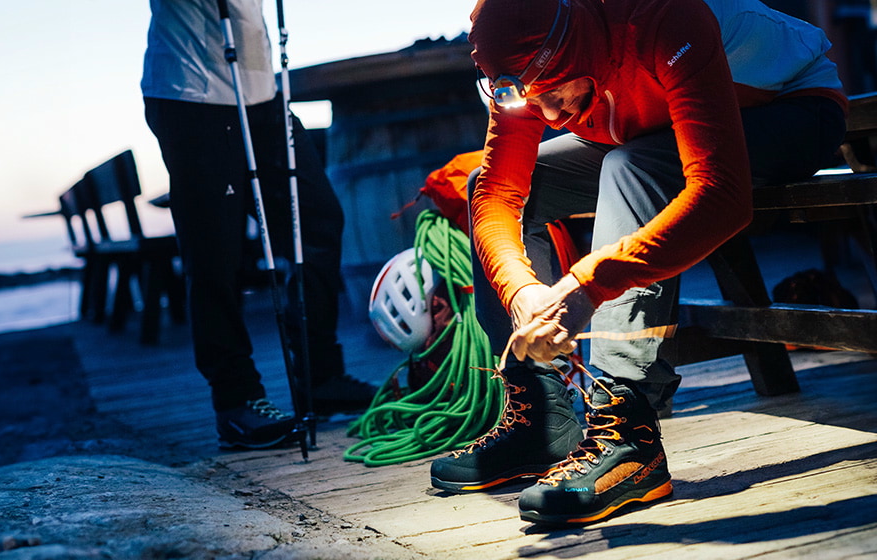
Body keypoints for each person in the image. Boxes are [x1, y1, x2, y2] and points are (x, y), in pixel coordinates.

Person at [430, 0, 847, 525]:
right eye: (536, 104)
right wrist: (521, 291)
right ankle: (540, 416)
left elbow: (721, 195)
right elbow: (496, 193)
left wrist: (587, 286)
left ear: (575, 45)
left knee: (630, 167)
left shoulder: (664, 15)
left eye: (557, 93)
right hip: (652, 124)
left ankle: (627, 429)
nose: (553, 117)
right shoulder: (517, 51)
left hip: (785, 107)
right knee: (489, 185)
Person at [141, 0, 376, 450]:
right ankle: (235, 400)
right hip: (192, 95)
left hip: (262, 94)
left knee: (317, 220)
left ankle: (320, 376)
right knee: (216, 250)